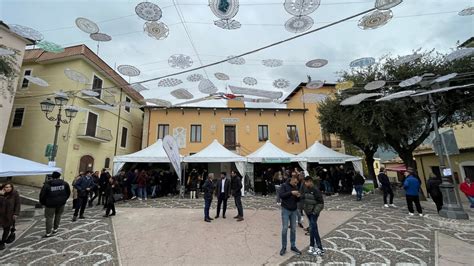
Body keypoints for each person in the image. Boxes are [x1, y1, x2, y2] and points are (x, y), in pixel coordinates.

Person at [39, 171, 71, 237]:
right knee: (58, 215)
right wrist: (64, 200)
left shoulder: (47, 185)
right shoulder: (64, 183)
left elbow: (42, 195)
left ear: (52, 177)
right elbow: (68, 193)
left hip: (50, 204)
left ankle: (48, 232)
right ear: (59, 176)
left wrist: (43, 203)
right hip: (61, 203)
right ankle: (55, 229)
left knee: (49, 218)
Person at [278, 174, 302, 256]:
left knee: (293, 229)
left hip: (294, 210)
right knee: (285, 229)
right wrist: (291, 192)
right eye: (295, 182)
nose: (296, 184)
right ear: (292, 180)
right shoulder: (284, 186)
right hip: (285, 209)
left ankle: (293, 246)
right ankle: (284, 247)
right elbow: (281, 196)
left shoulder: (296, 187)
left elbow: (297, 200)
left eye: (297, 183)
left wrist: (298, 196)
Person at [302, 176, 325, 256]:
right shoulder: (306, 189)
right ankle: (312, 246)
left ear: (310, 181)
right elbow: (305, 198)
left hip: (313, 213)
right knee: (312, 229)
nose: (305, 183)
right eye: (305, 182)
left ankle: (320, 248)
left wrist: (315, 212)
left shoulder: (316, 190)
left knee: (314, 229)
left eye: (306, 182)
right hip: (308, 212)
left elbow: (321, 203)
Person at [0, 183, 20, 250]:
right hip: (0, 215)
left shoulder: (15, 194)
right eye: (6, 187)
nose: (8, 188)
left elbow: (17, 204)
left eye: (9, 187)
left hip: (9, 215)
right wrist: (1, 195)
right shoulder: (1, 194)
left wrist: (16, 213)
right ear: (3, 188)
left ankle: (2, 242)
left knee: (6, 229)